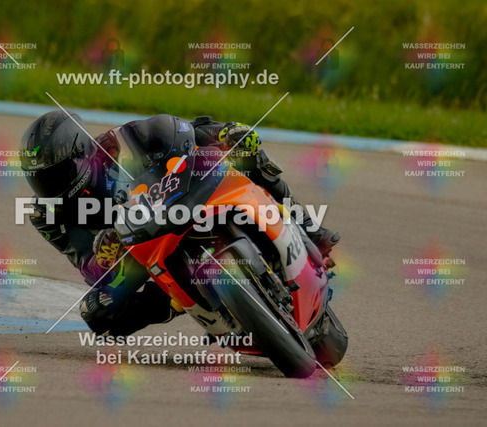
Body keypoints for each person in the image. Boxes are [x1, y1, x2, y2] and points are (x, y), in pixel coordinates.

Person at [19, 110, 340, 337]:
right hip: (141, 253)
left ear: (81, 154)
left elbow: (184, 131)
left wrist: (224, 133)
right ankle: (178, 301)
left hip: (181, 199)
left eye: (57, 175)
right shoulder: (48, 215)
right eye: (41, 181)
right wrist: (105, 256)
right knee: (97, 312)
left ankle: (309, 229)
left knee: (248, 152)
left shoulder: (117, 143)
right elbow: (90, 268)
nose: (51, 188)